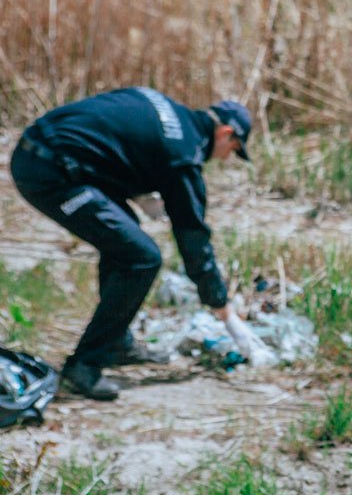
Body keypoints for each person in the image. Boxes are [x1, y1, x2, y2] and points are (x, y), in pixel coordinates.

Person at [10, 87, 252, 401]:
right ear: (225, 132)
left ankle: (116, 344)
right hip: (50, 172)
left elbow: (116, 139)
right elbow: (193, 239)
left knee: (126, 241)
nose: (227, 156)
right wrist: (221, 305)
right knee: (142, 257)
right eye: (233, 148)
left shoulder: (166, 106)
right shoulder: (184, 157)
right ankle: (84, 365)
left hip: (42, 149)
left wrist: (136, 189)